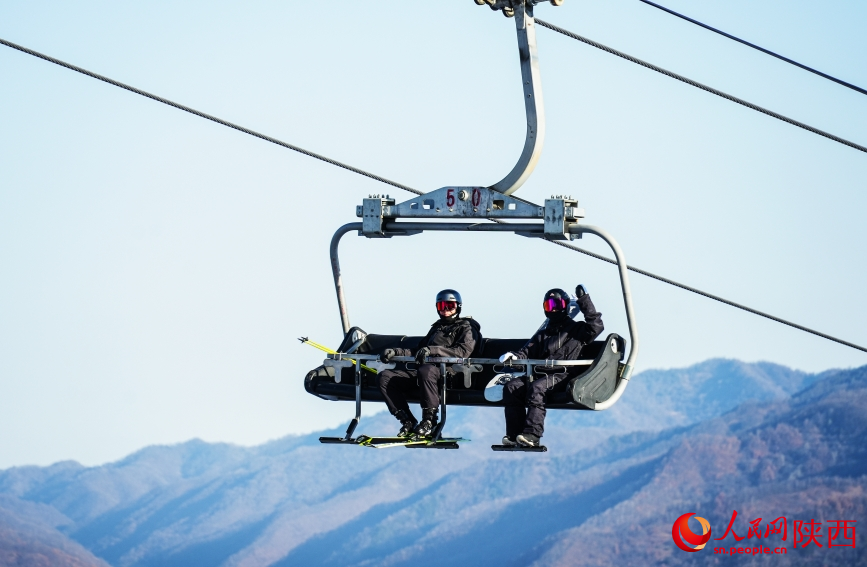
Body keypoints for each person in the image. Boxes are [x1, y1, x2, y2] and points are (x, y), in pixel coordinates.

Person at [498, 285, 603, 447]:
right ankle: (513, 434)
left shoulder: (577, 330)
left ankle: (532, 435)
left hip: (562, 375)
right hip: (540, 374)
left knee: (537, 388)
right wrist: (514, 357)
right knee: (512, 387)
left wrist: (584, 301)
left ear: (566, 306)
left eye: (557, 305)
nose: (553, 310)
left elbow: (596, 326)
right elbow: (527, 352)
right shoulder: (543, 334)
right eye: (549, 306)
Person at [378, 289, 481, 438]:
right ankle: (407, 421)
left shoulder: (467, 328)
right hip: (425, 374)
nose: (445, 310)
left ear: (458, 307)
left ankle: (429, 422)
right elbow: (419, 350)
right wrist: (396, 352)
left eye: (449, 306)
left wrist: (432, 350)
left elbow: (463, 351)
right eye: (441, 306)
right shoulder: (437, 328)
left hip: (450, 374)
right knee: (385, 377)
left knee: (426, 370)